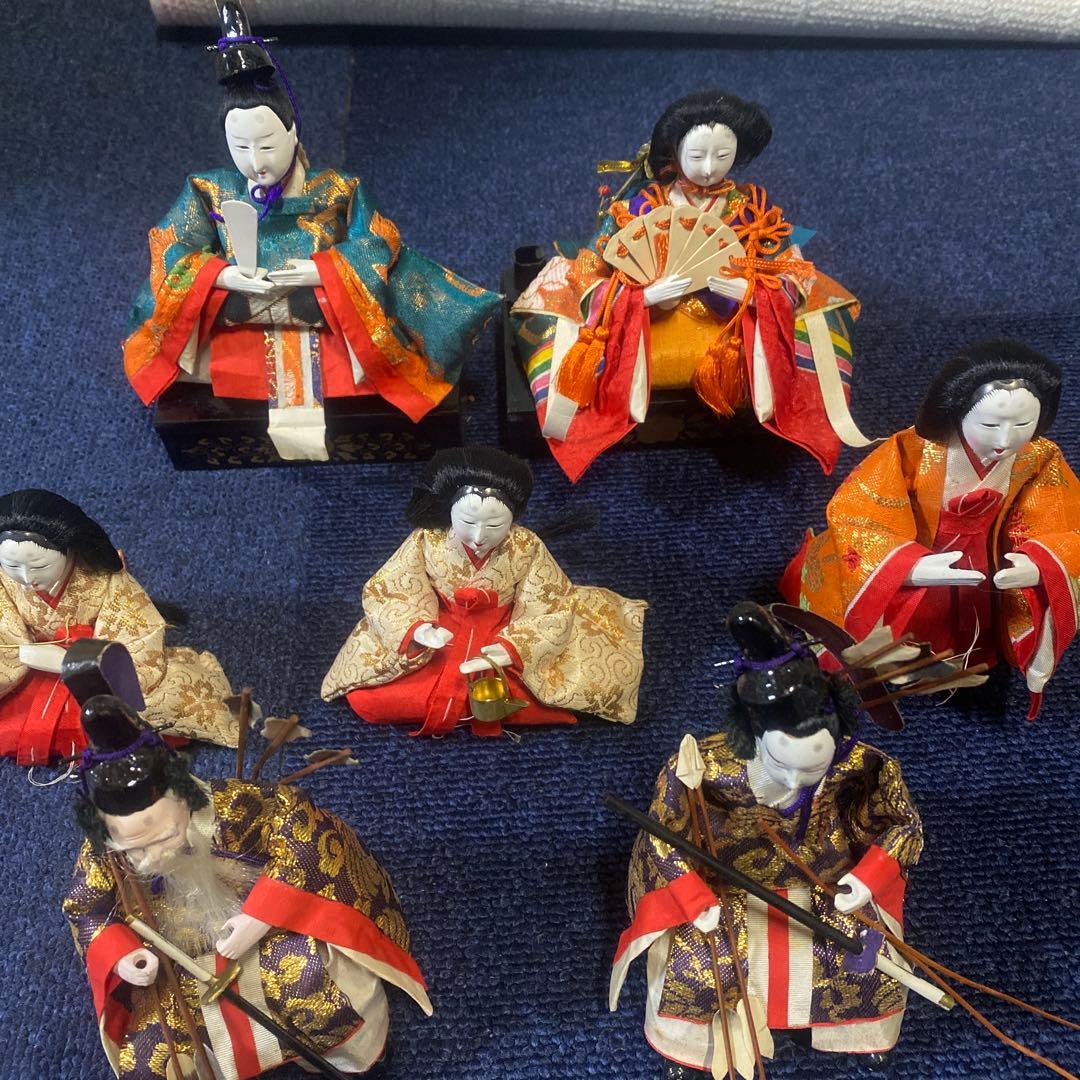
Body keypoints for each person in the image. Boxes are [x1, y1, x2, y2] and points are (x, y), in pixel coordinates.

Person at [123, 1, 498, 461]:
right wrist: (221, 276)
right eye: (240, 147)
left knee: (397, 294)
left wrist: (323, 271)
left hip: (320, 300)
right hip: (238, 302)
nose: (255, 162)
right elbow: (170, 244)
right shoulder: (207, 189)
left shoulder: (338, 188)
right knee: (173, 303)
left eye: (266, 145)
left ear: (293, 133)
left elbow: (377, 239)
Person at [611, 602, 923, 1077]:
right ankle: (690, 1047)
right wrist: (693, 897)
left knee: (860, 953)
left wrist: (866, 879)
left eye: (813, 767)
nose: (797, 781)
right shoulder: (704, 770)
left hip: (829, 884)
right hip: (724, 887)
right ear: (754, 735)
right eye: (783, 765)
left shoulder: (864, 766)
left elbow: (904, 825)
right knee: (705, 960)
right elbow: (662, 837)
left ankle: (855, 1034)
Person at [63, 683, 432, 1078]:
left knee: (314, 989)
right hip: (174, 963)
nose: (153, 857)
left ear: (185, 797)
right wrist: (122, 956)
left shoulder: (239, 807)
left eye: (165, 837)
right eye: (135, 849)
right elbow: (86, 907)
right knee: (151, 1057)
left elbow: (308, 838)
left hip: (270, 937)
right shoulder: (105, 851)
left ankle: (340, 1057)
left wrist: (260, 915)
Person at [510, 89, 865, 481]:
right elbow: (591, 270)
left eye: (723, 155)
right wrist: (642, 297)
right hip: (650, 319)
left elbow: (788, 269)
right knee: (554, 302)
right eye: (697, 156)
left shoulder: (751, 211)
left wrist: (752, 295)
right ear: (675, 152)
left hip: (730, 322)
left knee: (824, 308)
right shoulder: (641, 207)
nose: (709, 168)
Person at [782, 339, 1080, 718]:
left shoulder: (1040, 457)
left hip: (987, 560)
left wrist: (1038, 562)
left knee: (978, 609)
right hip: (922, 551)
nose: (1006, 440)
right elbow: (858, 511)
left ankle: (967, 655)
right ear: (957, 411)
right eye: (990, 424)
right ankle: (905, 661)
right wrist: (908, 566)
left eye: (1022, 425)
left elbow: (1060, 515)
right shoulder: (911, 451)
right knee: (917, 617)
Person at [322, 445, 647, 736]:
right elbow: (391, 588)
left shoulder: (526, 546)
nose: (479, 537)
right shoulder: (428, 539)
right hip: (442, 629)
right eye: (467, 522)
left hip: (505, 628)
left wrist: (513, 648)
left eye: (493, 525)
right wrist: (418, 629)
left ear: (513, 519)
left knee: (556, 689)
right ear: (450, 511)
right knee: (371, 700)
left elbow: (551, 604)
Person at [0, 490, 238, 763]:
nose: (26, 577)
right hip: (31, 667)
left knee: (163, 701)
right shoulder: (4, 580)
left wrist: (70, 661)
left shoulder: (104, 579)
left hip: (95, 670)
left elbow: (136, 640)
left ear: (70, 548)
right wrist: (21, 652)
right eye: (12, 565)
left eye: (40, 565)